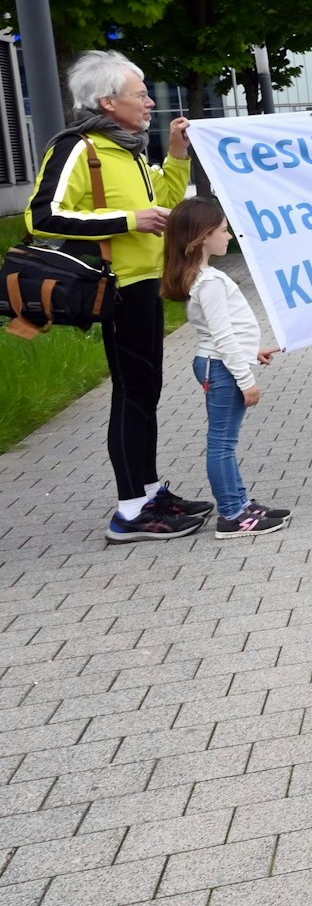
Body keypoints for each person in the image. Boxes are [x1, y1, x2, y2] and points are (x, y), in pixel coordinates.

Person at [27, 50, 210, 542]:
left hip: (144, 283)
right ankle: (131, 511)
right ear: (108, 102)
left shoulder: (127, 148)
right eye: (141, 94)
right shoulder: (77, 149)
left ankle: (148, 492)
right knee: (132, 396)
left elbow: (166, 206)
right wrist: (129, 221)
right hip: (114, 288)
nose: (150, 101)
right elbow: (41, 216)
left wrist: (174, 153)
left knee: (145, 393)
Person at [159, 198, 286, 539]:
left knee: (223, 441)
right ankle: (233, 514)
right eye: (222, 230)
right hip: (221, 368)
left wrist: (251, 351)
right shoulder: (211, 281)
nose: (228, 236)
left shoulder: (202, 277)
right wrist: (246, 380)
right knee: (222, 443)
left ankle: (240, 504)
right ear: (202, 237)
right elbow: (222, 335)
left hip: (218, 362)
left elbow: (222, 333)